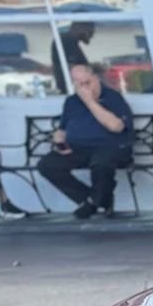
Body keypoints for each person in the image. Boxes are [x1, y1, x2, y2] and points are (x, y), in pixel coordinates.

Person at [39, 62, 133, 219]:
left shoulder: (113, 97)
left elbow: (116, 126)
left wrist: (90, 102)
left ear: (95, 79)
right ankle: (93, 199)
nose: (84, 88)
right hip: (78, 148)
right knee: (47, 165)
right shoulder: (71, 102)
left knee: (101, 163)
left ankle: (94, 202)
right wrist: (59, 140)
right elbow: (62, 129)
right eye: (79, 84)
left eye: (87, 83)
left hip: (110, 146)